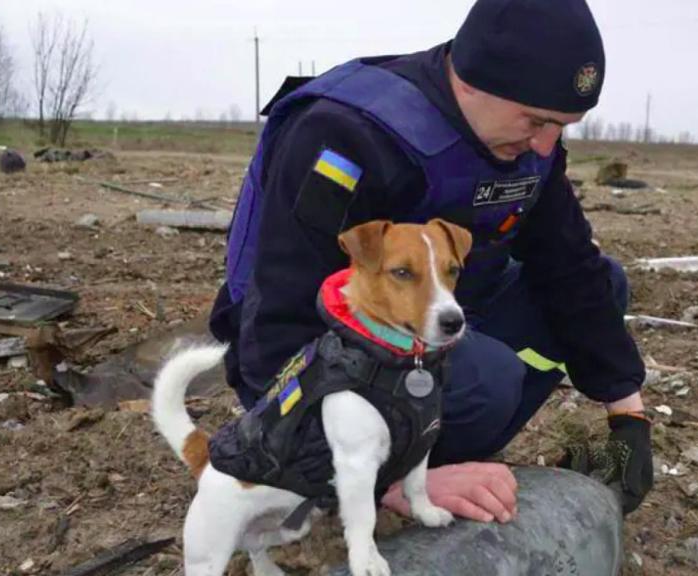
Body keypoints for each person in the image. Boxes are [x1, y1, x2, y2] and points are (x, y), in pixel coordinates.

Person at [209, 0, 653, 523]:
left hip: (437, 316)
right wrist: (391, 485)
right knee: (489, 380)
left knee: (606, 284)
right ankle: (384, 467)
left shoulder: (528, 146)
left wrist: (629, 418)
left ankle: (445, 449)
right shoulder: (348, 135)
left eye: (563, 125)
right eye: (536, 120)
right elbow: (281, 325)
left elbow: (570, 266)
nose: (546, 143)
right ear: (471, 82)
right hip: (314, 353)